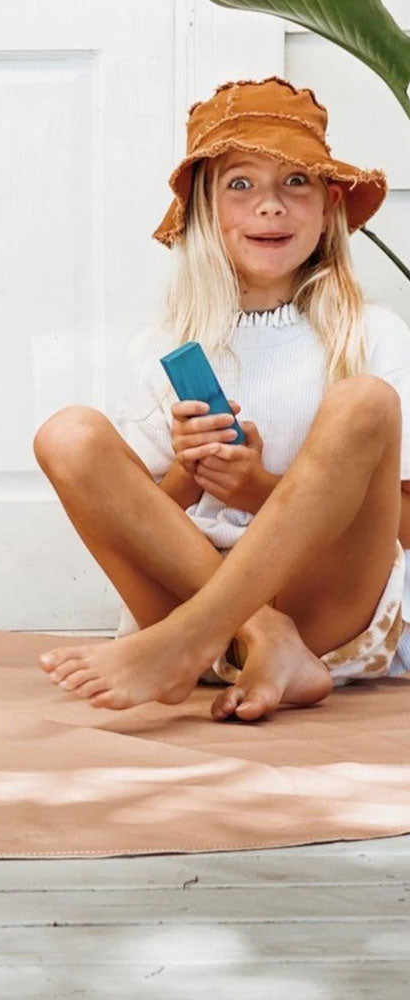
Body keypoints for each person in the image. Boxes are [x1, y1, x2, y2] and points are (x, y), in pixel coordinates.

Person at [33, 77, 410, 721]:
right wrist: (187, 470)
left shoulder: (373, 333)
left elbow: (398, 528)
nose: (271, 206)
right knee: (66, 432)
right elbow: (139, 522)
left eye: (297, 182)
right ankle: (262, 637)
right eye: (241, 184)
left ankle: (188, 643)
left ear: (329, 206)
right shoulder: (163, 346)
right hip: (192, 592)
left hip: (327, 605)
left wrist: (256, 490)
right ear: (204, 210)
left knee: (365, 401)